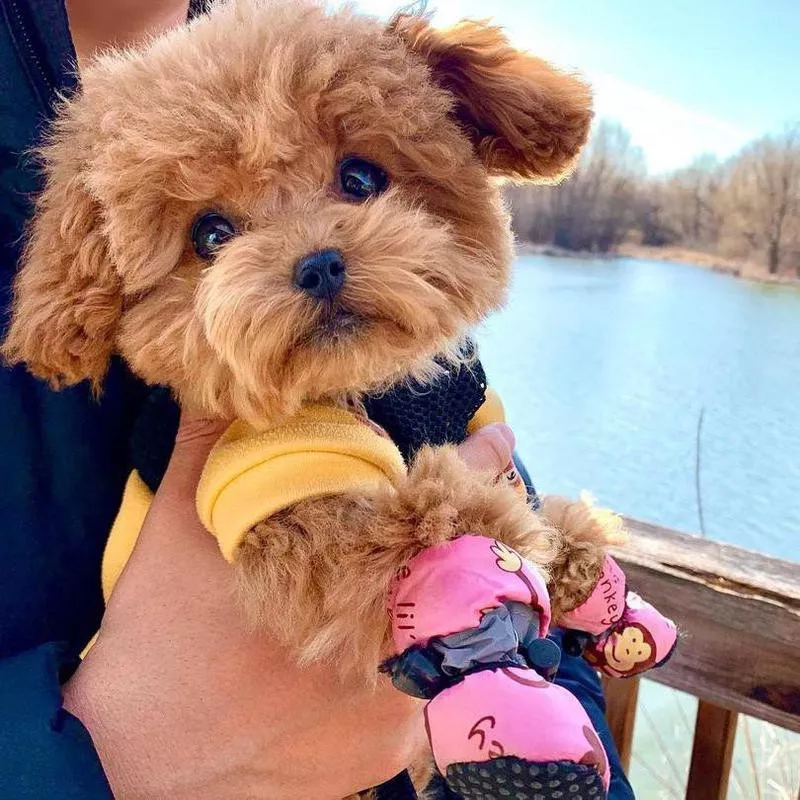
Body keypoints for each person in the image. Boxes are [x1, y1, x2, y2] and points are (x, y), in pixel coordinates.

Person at [0, 1, 634, 798]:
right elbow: (414, 542)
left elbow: (539, 626)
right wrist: (97, 763)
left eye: (359, 181)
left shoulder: (418, 367)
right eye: (214, 236)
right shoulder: (267, 438)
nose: (316, 257)